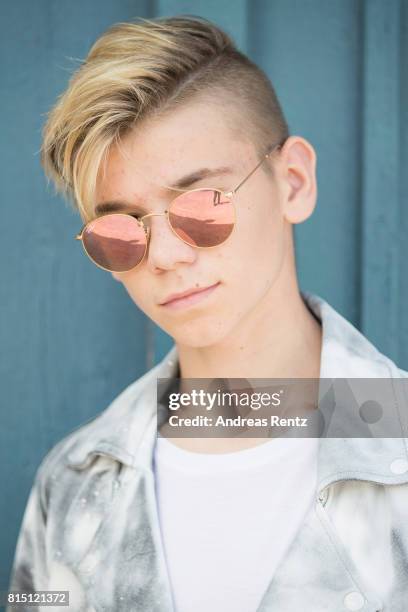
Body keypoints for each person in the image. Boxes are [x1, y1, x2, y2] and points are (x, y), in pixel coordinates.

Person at [7, 15, 408, 612]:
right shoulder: (71, 484)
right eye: (121, 230)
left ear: (293, 182)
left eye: (202, 205)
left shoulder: (396, 445)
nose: (166, 256)